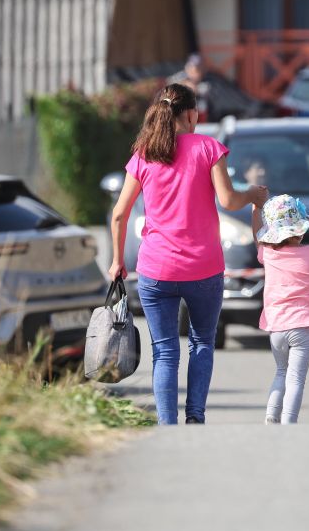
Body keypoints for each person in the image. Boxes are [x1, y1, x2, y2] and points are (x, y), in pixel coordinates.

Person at [108, 82, 268, 424]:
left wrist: (117, 261)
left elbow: (120, 214)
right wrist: (253, 194)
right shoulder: (209, 148)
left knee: (164, 351)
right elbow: (228, 201)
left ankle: (167, 425)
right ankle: (195, 417)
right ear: (193, 115)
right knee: (202, 343)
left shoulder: (144, 153)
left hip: (155, 270)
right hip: (204, 267)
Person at [252, 194, 309, 424]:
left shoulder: (268, 253)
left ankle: (271, 414)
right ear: (301, 230)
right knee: (296, 378)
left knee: (281, 372)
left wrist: (255, 211)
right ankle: (288, 422)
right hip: (304, 325)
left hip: (276, 326)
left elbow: (257, 236)